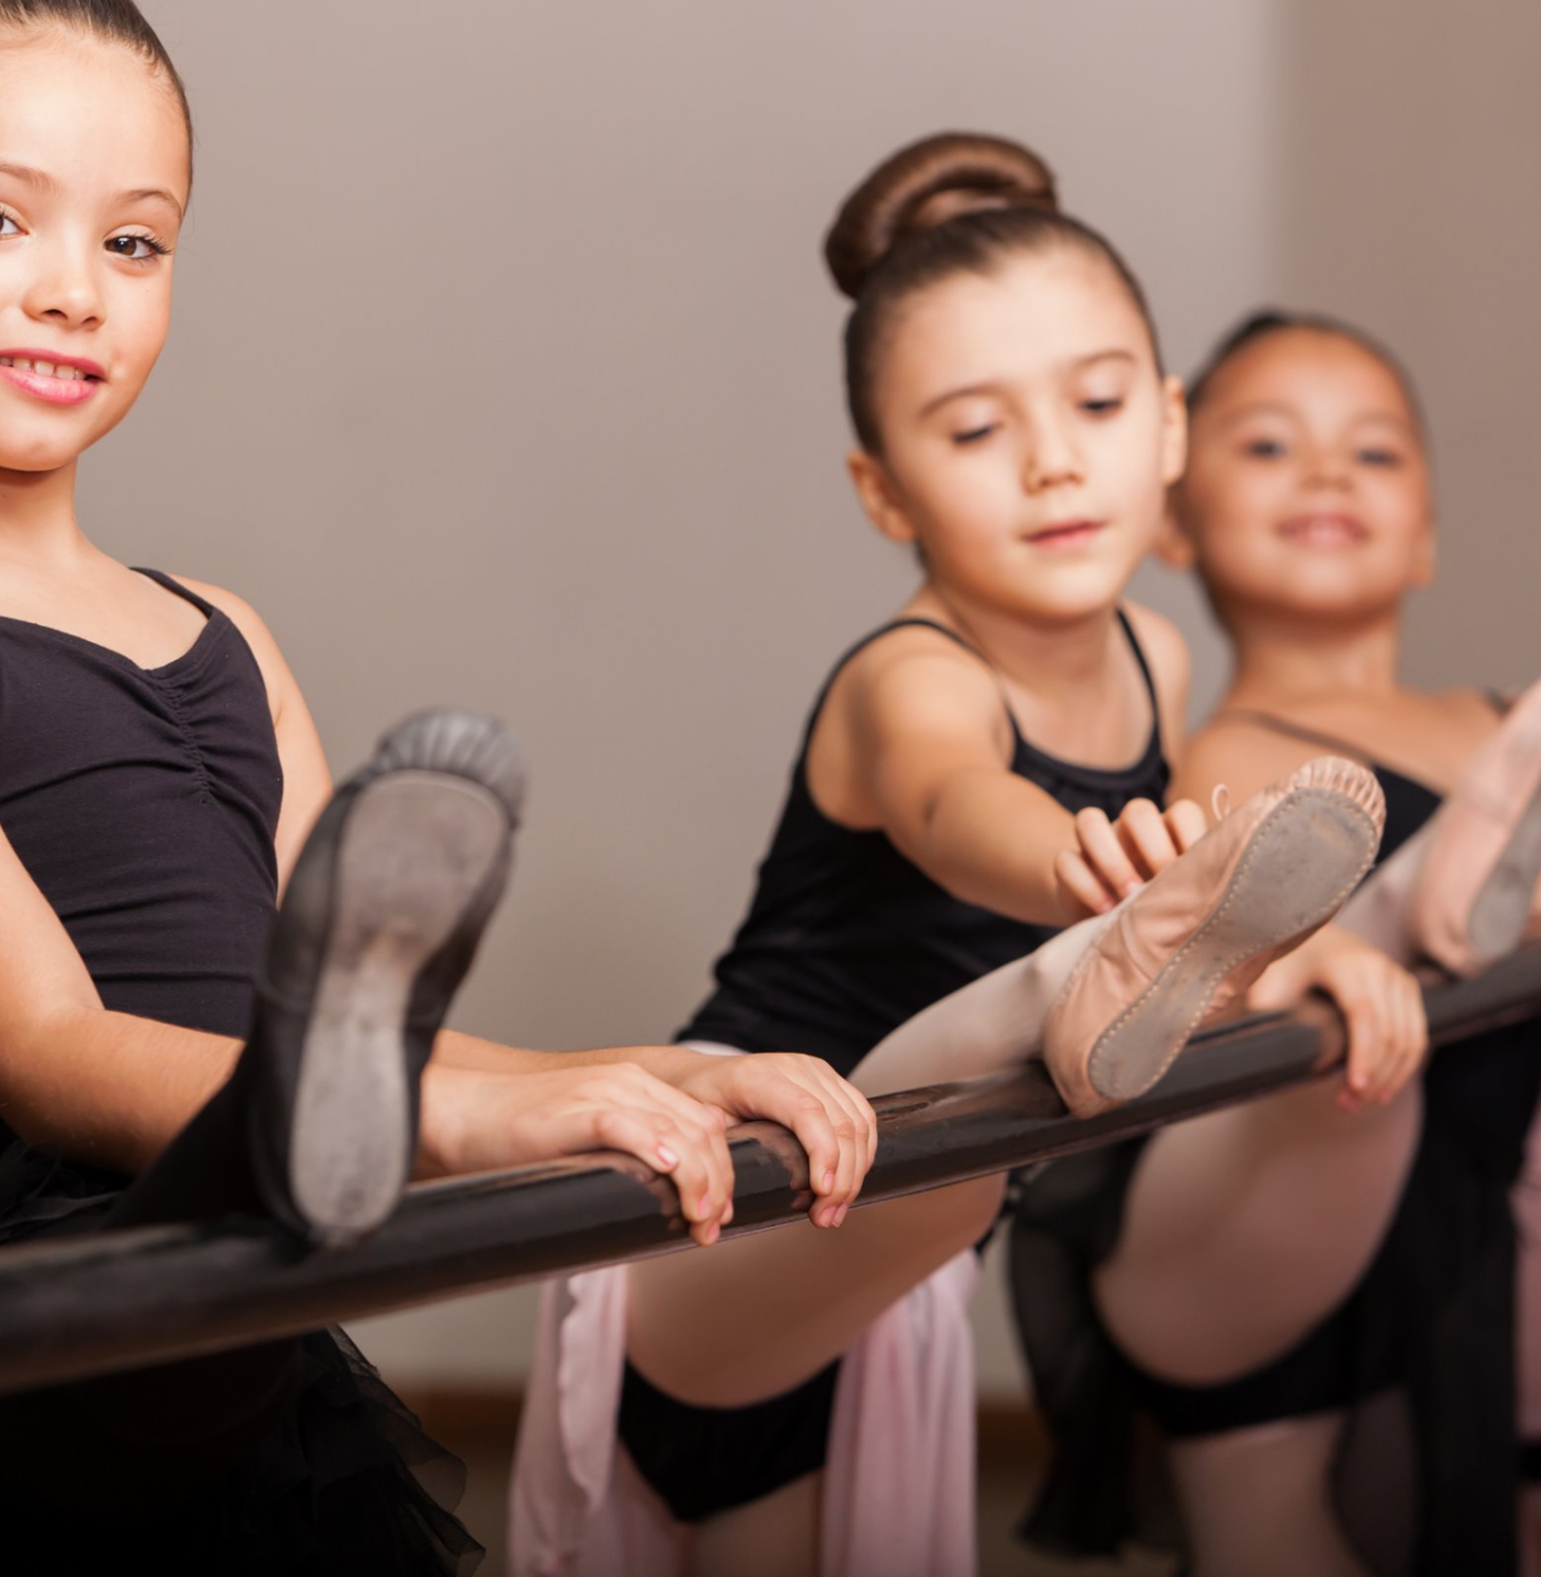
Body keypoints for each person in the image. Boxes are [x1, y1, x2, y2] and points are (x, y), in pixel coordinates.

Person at [0, 0, 872, 1570]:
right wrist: (442, 1114)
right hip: (19, 1300)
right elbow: (53, 1054)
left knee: (333, 1083)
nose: (75, 289)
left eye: (136, 238)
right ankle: (281, 1170)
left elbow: (364, 1059)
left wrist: (639, 1072)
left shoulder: (223, 633)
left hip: (255, 1275)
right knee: (204, 1203)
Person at [508, 135, 1405, 1577]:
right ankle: (1076, 981)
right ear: (884, 491)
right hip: (738, 1212)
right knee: (992, 1107)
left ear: (1169, 424)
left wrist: (1335, 943)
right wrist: (1088, 873)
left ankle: (1092, 980)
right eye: (977, 432)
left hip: (896, 1259)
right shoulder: (911, 677)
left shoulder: (1157, 654)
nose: (1055, 460)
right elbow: (951, 804)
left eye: (1100, 403)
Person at [1028, 310, 1541, 1576]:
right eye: (1268, 447)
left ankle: (1469, 889)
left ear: (1424, 535)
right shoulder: (1219, 753)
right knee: (1267, 1512)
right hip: (1280, 1202)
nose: (1325, 473)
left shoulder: (1503, 724)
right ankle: (1433, 892)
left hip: (1485, 1187)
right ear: (1176, 527)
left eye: (1372, 454)